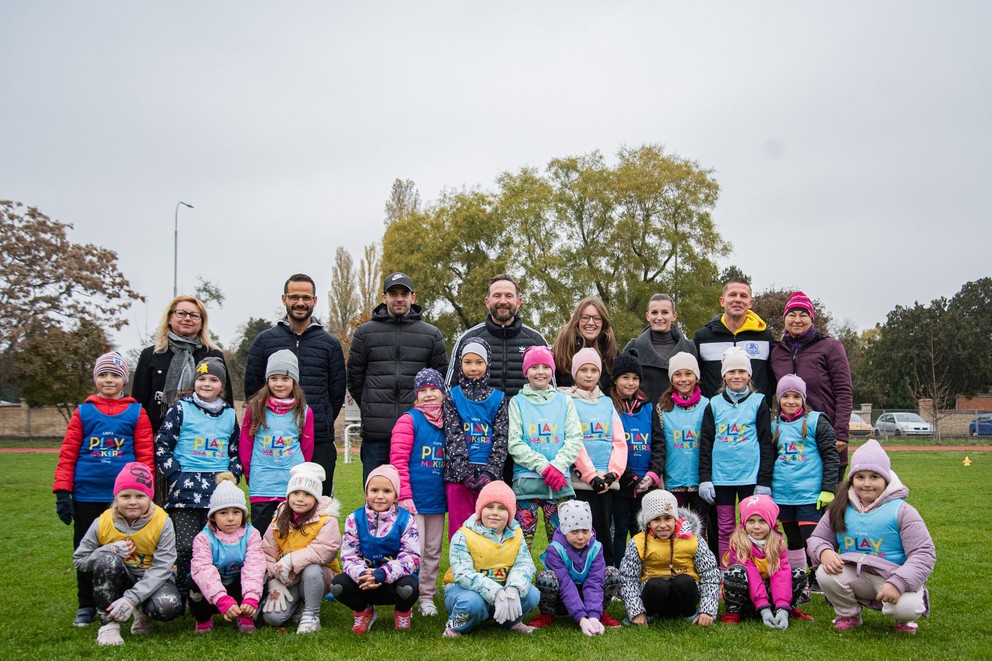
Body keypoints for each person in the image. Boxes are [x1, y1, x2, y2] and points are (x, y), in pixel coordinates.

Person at [53, 351, 155, 627]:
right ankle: (86, 604)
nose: (108, 380)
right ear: (96, 379)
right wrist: (63, 491)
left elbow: (145, 455)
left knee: (127, 550)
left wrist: (147, 493)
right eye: (103, 375)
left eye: (114, 375)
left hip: (124, 499)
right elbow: (68, 453)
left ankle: (119, 601)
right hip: (87, 493)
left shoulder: (136, 411)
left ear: (124, 380)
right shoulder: (83, 412)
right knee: (87, 551)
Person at [807, 440, 935, 633]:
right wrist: (823, 551)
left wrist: (898, 583)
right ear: (852, 480)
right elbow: (817, 538)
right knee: (825, 572)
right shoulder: (840, 508)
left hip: (893, 577)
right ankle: (849, 615)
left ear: (886, 480)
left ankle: (903, 619)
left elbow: (923, 553)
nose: (866, 484)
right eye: (860, 477)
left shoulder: (902, 511)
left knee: (906, 608)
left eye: (874, 477)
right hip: (857, 575)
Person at [245, 274, 346, 496]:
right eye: (294, 297)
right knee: (274, 505)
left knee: (317, 507)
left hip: (318, 439)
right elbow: (253, 389)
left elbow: (336, 392)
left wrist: (321, 418)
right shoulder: (264, 341)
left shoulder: (329, 344)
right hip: (274, 442)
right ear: (284, 299)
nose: (300, 302)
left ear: (315, 301)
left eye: (306, 297)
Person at [445, 274, 550, 484]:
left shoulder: (536, 340)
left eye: (509, 295)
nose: (503, 300)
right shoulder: (468, 339)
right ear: (487, 301)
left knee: (519, 507)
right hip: (480, 444)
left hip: (526, 442)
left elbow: (551, 393)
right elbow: (450, 391)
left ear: (518, 301)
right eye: (497, 295)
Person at [154, 357, 241, 606]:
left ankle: (213, 596)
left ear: (221, 386)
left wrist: (232, 478)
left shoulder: (229, 414)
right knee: (185, 548)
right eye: (201, 379)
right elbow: (162, 444)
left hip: (218, 494)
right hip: (185, 492)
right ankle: (185, 595)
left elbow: (235, 451)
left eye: (213, 380)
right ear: (195, 383)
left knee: (218, 547)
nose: (206, 383)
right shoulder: (181, 409)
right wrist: (174, 475)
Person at [348, 272, 448, 482]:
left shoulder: (431, 335)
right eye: (394, 293)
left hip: (420, 434)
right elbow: (355, 380)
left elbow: (442, 381)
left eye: (405, 293)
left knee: (415, 499)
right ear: (384, 298)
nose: (399, 298)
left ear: (413, 297)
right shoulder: (364, 333)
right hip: (377, 436)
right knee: (377, 499)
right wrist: (370, 407)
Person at [132, 296, 232, 504]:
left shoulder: (213, 355)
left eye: (194, 315)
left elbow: (225, 401)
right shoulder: (151, 355)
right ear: (170, 318)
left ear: (202, 321)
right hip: (161, 441)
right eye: (181, 313)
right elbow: (139, 403)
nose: (188, 318)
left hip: (202, 446)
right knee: (160, 503)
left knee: (204, 506)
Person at [72, 462, 182, 646]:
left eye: (140, 495)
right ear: (116, 497)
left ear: (150, 498)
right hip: (119, 578)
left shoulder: (163, 522)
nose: (132, 501)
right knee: (107, 560)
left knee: (168, 606)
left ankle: (142, 611)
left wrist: (131, 599)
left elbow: (163, 567)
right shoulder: (103, 522)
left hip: (150, 580)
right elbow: (80, 560)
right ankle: (108, 625)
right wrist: (108, 549)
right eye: (125, 496)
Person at [697, 347, 774, 568]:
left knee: (753, 527)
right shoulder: (713, 404)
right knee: (725, 528)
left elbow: (765, 444)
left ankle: (755, 568)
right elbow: (706, 444)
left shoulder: (758, 402)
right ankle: (727, 571)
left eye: (741, 371)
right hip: (722, 479)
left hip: (751, 479)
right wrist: (705, 477)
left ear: (749, 375)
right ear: (724, 376)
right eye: (731, 372)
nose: (736, 376)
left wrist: (764, 481)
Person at [769, 291, 854, 483]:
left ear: (811, 318)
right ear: (785, 318)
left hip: (826, 436)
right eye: (792, 315)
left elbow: (844, 392)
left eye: (803, 315)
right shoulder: (776, 352)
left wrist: (840, 433)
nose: (797, 320)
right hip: (790, 439)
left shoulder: (830, 347)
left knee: (830, 502)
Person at [442, 481, 541, 637]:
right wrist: (496, 593)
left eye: (502, 508)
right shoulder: (463, 535)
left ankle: (510, 621)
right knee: (471, 603)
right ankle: (454, 626)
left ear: (510, 513)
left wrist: (513, 588)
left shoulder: (517, 534)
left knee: (532, 594)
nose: (495, 513)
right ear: (480, 510)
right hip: (465, 590)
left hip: (503, 590)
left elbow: (525, 565)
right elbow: (463, 574)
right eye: (489, 507)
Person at [330, 464, 421, 634]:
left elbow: (411, 557)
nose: (380, 496)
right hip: (365, 583)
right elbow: (349, 556)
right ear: (366, 494)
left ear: (396, 496)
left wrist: (383, 573)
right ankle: (364, 611)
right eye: (374, 490)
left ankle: (403, 612)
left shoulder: (406, 520)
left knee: (409, 587)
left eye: (387, 491)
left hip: (393, 583)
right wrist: (363, 575)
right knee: (337, 586)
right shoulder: (354, 519)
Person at [507, 345, 583, 547]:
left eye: (545, 367)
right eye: (534, 367)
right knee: (522, 543)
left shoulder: (565, 401)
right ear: (526, 372)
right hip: (527, 484)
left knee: (562, 542)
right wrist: (544, 467)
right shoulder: (517, 402)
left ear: (552, 370)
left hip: (558, 485)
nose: (540, 372)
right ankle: (521, 578)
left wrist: (557, 466)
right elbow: (514, 443)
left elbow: (575, 437)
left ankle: (560, 577)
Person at [770, 374, 839, 595]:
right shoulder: (774, 426)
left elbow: (831, 456)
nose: (791, 401)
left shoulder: (816, 421)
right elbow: (769, 459)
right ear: (779, 399)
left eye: (796, 396)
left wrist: (829, 488)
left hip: (810, 495)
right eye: (786, 396)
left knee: (813, 540)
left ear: (804, 398)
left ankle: (824, 580)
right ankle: (800, 583)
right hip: (783, 495)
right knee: (793, 540)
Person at [388, 368, 448, 617]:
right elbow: (398, 460)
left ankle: (427, 595)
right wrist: (404, 496)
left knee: (433, 550)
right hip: (413, 499)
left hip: (438, 498)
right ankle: (407, 596)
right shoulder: (408, 420)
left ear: (443, 393)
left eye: (434, 389)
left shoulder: (449, 421)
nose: (429, 395)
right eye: (423, 391)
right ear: (416, 396)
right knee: (414, 550)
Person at [561, 348, 627, 567]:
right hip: (582, 481)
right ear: (574, 373)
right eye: (583, 370)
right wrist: (591, 476)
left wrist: (612, 474)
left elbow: (619, 440)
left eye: (593, 370)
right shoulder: (568, 402)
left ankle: (606, 574)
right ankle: (579, 572)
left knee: (603, 530)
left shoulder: (607, 402)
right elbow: (574, 441)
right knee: (580, 531)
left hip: (606, 481)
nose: (588, 375)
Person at [239, 350, 314, 535]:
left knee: (288, 533)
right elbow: (246, 444)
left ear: (294, 381)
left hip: (290, 485)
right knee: (261, 535)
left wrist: (301, 476)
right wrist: (251, 474)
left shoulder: (304, 412)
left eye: (285, 379)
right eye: (274, 378)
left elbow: (307, 448)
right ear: (267, 380)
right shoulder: (255, 407)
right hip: (262, 483)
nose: (279, 384)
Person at [261, 462, 342, 634]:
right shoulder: (279, 519)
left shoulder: (326, 520)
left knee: (312, 569)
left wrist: (290, 560)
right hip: (287, 578)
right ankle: (297, 604)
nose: (300, 498)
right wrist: (273, 580)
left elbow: (324, 550)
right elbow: (267, 551)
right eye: (295, 493)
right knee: (272, 618)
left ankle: (311, 614)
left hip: (318, 576)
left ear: (316, 497)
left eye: (307, 494)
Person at [618, 489, 718, 627]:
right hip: (653, 596)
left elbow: (710, 574)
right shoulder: (638, 542)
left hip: (684, 595)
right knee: (657, 585)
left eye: (668, 518)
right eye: (656, 520)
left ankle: (690, 613)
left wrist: (707, 610)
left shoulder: (693, 540)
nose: (663, 525)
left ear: (675, 519)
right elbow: (628, 579)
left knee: (684, 581)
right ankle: (649, 615)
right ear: (648, 523)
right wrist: (636, 612)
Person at [443, 338, 509, 541]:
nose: (473, 368)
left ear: (487, 364)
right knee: (460, 529)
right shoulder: (452, 396)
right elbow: (453, 436)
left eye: (479, 362)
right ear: (460, 364)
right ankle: (458, 570)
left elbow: (501, 438)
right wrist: (463, 472)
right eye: (468, 362)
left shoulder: (498, 398)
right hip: (458, 477)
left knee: (489, 529)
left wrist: (490, 472)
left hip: (489, 477)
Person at [529, 499, 622, 632]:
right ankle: (547, 614)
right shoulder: (555, 550)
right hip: (561, 598)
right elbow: (565, 584)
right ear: (564, 530)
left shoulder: (596, 548)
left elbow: (594, 582)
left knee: (612, 574)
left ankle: (598, 612)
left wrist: (593, 616)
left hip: (585, 596)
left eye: (585, 531)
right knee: (546, 578)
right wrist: (581, 618)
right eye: (574, 531)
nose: (580, 537)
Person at [721, 494, 812, 628]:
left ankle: (787, 608)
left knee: (798, 574)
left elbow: (780, 574)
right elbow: (751, 574)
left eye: (762, 521)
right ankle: (734, 611)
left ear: (770, 523)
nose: (756, 526)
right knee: (735, 572)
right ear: (744, 522)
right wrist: (764, 608)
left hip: (770, 593)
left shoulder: (777, 543)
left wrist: (782, 607)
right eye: (751, 521)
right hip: (748, 596)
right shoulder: (738, 543)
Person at [189, 476, 265, 634]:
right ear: (213, 517)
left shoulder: (252, 534)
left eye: (236, 512)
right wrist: (221, 599)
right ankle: (203, 619)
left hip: (239, 586)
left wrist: (251, 597)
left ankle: (245, 615)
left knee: (261, 573)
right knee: (194, 582)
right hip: (213, 591)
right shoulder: (203, 538)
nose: (230, 518)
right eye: (223, 513)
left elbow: (254, 566)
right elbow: (202, 569)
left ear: (243, 514)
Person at [610, 349, 664, 566]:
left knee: (642, 529)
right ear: (615, 380)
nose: (630, 383)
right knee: (620, 529)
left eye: (635, 378)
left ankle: (644, 571)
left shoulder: (648, 408)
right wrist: (629, 478)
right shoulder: (609, 407)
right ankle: (619, 572)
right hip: (622, 482)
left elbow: (659, 443)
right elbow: (610, 446)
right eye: (625, 377)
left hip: (647, 483)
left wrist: (652, 475)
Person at [693, 277, 775, 399]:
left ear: (750, 303)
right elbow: (695, 378)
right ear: (722, 301)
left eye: (743, 296)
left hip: (755, 415)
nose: (738, 300)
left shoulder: (764, 336)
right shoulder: (703, 337)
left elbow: (772, 378)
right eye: (732, 295)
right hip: (714, 415)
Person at [658, 352, 709, 514]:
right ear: (671, 379)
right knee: (676, 529)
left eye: (688, 374)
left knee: (699, 530)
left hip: (700, 481)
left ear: (696, 377)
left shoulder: (708, 405)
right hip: (673, 481)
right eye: (678, 375)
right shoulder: (662, 407)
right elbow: (658, 444)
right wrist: (659, 476)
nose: (684, 379)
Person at [622, 294, 697, 403]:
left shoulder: (690, 348)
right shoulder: (633, 347)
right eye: (654, 312)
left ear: (674, 316)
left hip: (679, 413)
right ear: (648, 316)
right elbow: (621, 384)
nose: (659, 317)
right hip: (644, 413)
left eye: (665, 312)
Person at [552, 296, 618, 391]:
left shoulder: (610, 348)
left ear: (603, 321)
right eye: (585, 318)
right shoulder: (563, 347)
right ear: (577, 320)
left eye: (597, 318)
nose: (591, 322)